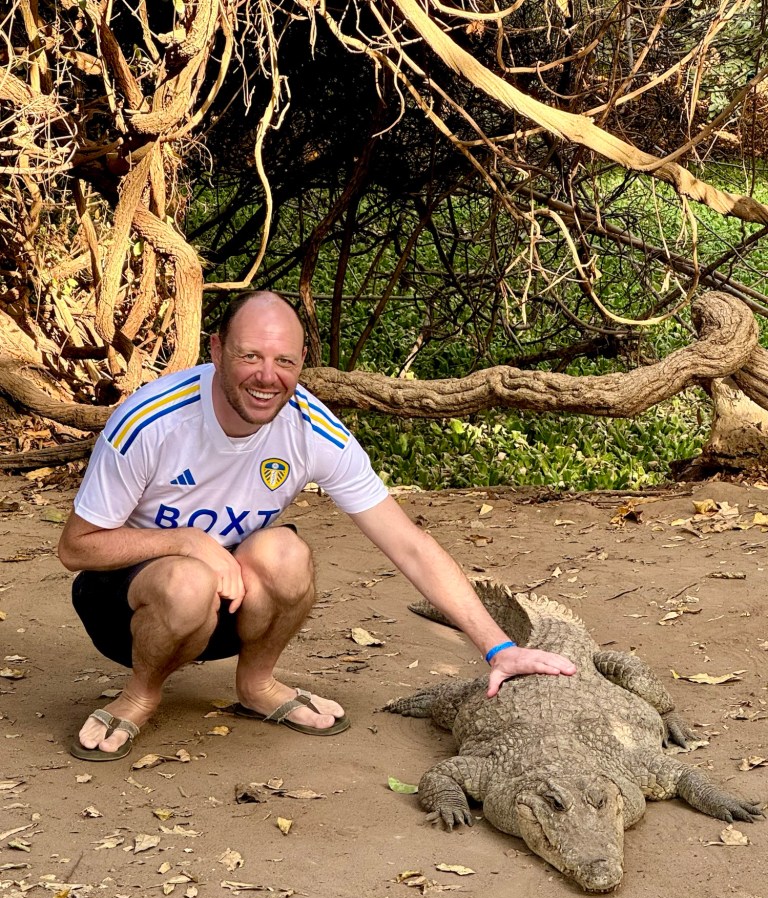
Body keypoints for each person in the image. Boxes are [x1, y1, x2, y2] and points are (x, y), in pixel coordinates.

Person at [58, 291, 576, 761]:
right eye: (250, 356)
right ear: (216, 350)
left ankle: (257, 684)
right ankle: (141, 694)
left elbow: (410, 545)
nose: (267, 376)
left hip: (231, 609)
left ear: (302, 360)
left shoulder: (311, 428)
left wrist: (499, 648)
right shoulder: (152, 421)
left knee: (286, 554)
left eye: (284, 360)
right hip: (126, 611)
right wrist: (188, 542)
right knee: (186, 579)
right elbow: (76, 548)